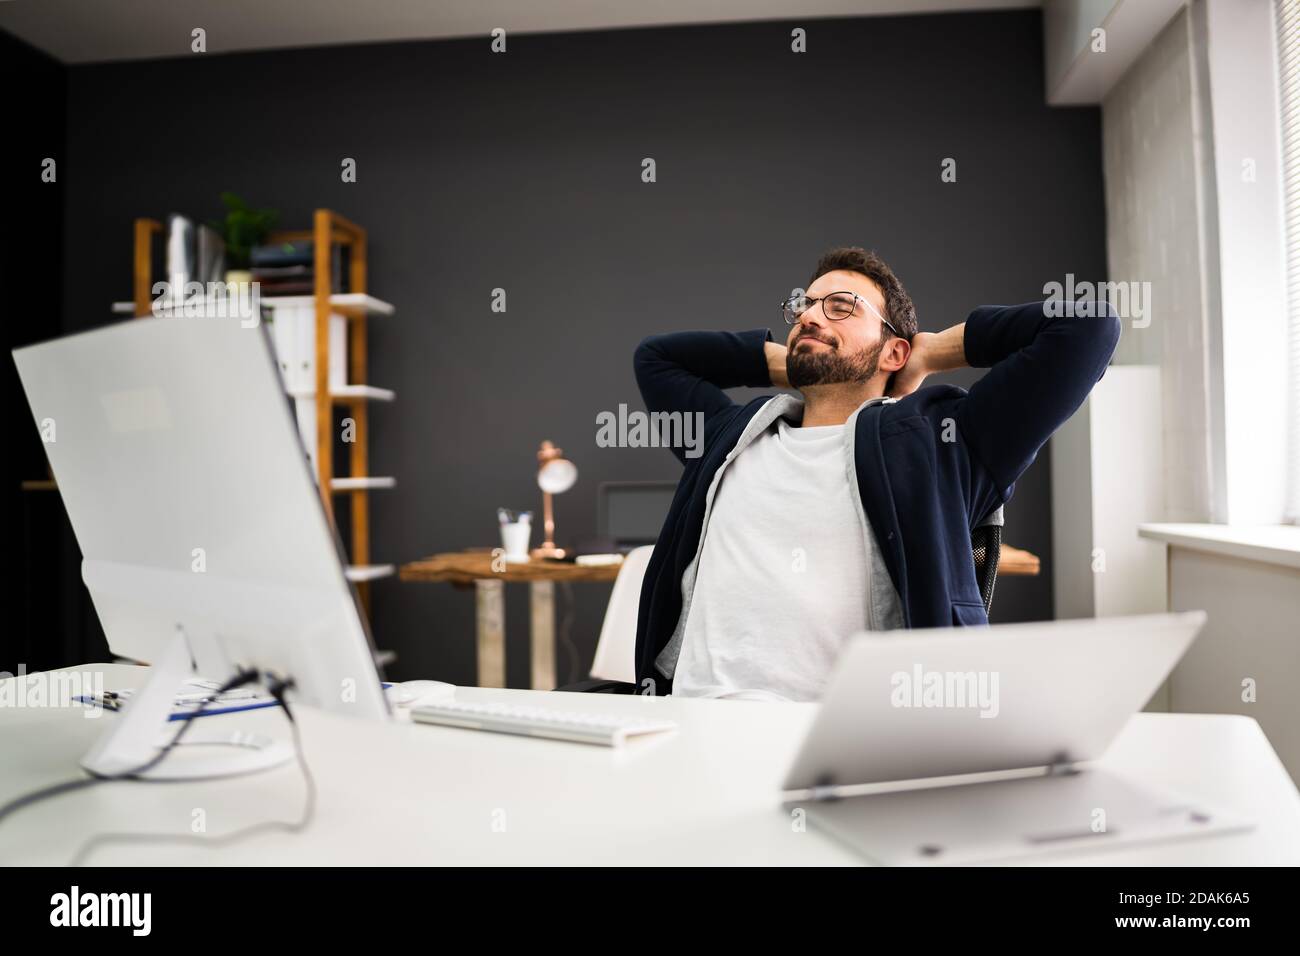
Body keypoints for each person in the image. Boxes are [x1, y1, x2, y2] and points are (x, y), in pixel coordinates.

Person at [632, 246, 1121, 701]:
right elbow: (657, 358)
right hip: (695, 727)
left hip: (853, 745)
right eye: (805, 305)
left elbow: (1088, 324)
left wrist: (930, 351)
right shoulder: (726, 438)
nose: (807, 315)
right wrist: (804, 361)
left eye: (840, 306)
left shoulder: (942, 443)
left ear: (894, 352)